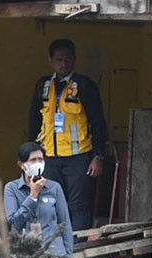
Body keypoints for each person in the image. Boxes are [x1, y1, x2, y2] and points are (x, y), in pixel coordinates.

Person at [28, 38, 108, 233]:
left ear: (75, 59)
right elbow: (33, 122)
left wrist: (98, 156)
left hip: (78, 158)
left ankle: (78, 249)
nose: (64, 64)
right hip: (50, 158)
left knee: (78, 206)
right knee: (49, 203)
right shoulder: (43, 86)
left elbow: (98, 123)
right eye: (59, 59)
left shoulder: (85, 86)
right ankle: (54, 247)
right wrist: (32, 157)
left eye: (68, 59)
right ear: (51, 61)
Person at [4, 142, 74, 258]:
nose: (37, 164)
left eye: (40, 160)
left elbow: (65, 225)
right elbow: (14, 222)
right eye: (32, 160)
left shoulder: (54, 188)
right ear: (22, 165)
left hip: (56, 255)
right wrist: (33, 196)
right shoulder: (12, 189)